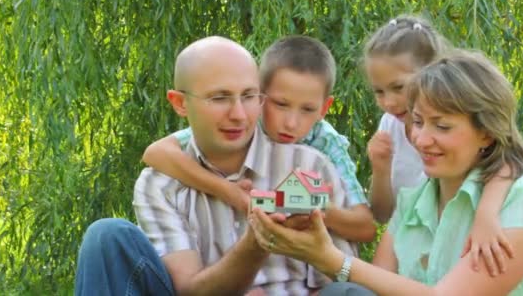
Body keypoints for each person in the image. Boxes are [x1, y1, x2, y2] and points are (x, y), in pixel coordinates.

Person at [75, 36, 375, 295]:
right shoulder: (159, 184)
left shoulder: (309, 163)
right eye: (220, 98)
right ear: (179, 103)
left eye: (248, 96)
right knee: (106, 235)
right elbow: (189, 290)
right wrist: (256, 244)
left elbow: (339, 275)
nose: (239, 115)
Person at [249, 51, 523, 295]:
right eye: (417, 122)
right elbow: (376, 283)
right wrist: (308, 244)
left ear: (486, 134)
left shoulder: (521, 214)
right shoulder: (414, 202)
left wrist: (328, 258)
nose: (420, 139)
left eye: (442, 126)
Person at [142, 35, 374, 243]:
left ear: (324, 108)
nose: (291, 123)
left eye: (307, 109)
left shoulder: (325, 141)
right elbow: (155, 153)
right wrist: (229, 191)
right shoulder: (242, 126)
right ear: (258, 95)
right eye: (280, 104)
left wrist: (313, 207)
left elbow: (365, 227)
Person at [364, 15, 515, 274]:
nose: (389, 102)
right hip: (414, 248)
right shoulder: (389, 127)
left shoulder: (473, 133)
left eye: (398, 87)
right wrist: (380, 168)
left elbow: (508, 161)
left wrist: (486, 216)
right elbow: (382, 213)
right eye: (378, 91)